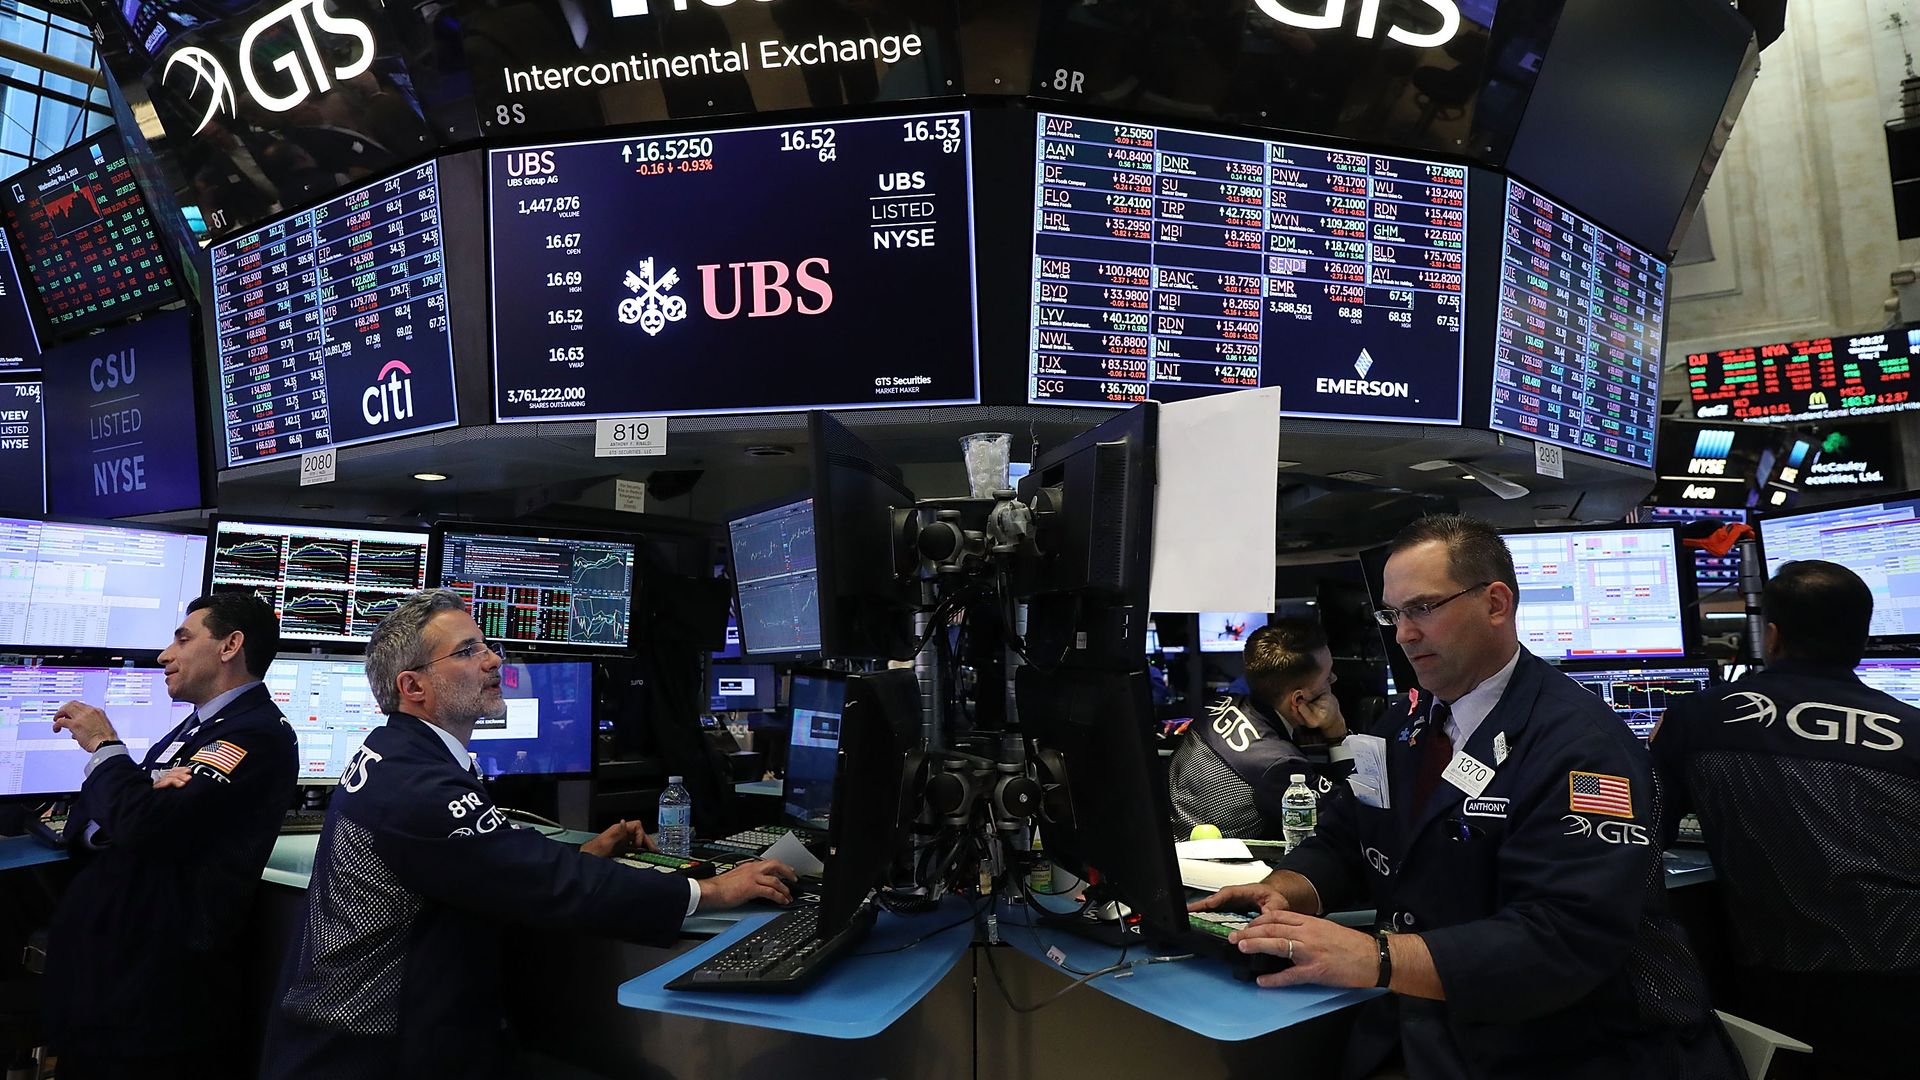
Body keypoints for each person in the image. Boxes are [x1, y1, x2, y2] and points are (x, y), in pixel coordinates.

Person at [1192, 514, 1736, 1080]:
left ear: (1496, 603)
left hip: (1567, 1046)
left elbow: (1562, 939)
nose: (1403, 633)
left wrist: (1376, 958)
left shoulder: (1583, 747)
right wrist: (1281, 892)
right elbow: (1346, 837)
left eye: (1423, 608)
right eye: (1393, 614)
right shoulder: (1402, 724)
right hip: (1430, 1030)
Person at [262, 589, 797, 1078]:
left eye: (486, 646)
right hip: (382, 1055)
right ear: (413, 686)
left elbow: (482, 862)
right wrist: (710, 890)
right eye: (468, 652)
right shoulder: (420, 782)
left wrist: (584, 852)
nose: (494, 660)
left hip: (374, 1033)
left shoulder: (399, 752)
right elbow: (545, 881)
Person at [1651, 559, 1919, 1079]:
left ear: (1770, 636)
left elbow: (1644, 832)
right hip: (1906, 987)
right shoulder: (1912, 732)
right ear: (1863, 638)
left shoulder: (1701, 719)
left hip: (1780, 997)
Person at [44, 593, 297, 1079]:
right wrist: (129, 805)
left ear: (230, 646)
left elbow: (144, 823)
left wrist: (106, 747)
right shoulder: (196, 729)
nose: (164, 655)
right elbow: (96, 817)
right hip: (118, 986)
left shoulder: (253, 734)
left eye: (182, 638)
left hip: (163, 1000)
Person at [1169, 617, 1353, 839]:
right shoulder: (1280, 765)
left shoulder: (1218, 705)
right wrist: (1337, 732)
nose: (1334, 679)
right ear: (1299, 700)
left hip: (1169, 847)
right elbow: (1348, 817)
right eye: (1327, 676)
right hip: (1214, 869)